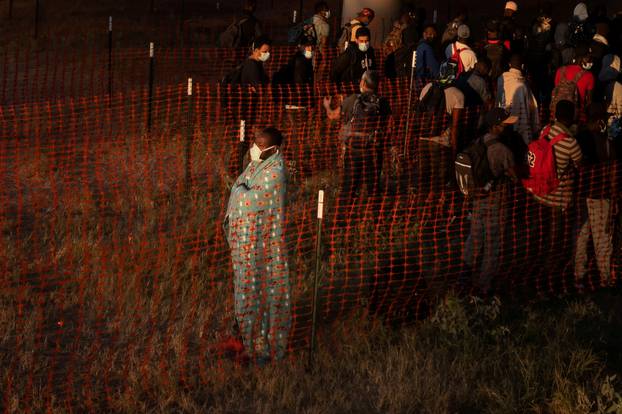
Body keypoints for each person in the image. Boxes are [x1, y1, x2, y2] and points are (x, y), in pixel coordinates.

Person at [224, 127, 291, 364]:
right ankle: (244, 336)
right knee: (245, 288)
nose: (254, 148)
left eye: (260, 145)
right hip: (248, 244)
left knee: (263, 291)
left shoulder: (276, 171)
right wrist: (240, 190)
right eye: (255, 143)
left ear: (273, 149)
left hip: (265, 246)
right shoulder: (256, 165)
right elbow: (240, 187)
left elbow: (247, 199)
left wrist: (239, 190)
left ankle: (262, 346)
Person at [462, 108, 518, 295]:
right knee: (493, 243)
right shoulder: (503, 150)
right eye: (505, 124)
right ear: (496, 127)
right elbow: (514, 176)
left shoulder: (477, 142)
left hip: (478, 199)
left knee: (475, 237)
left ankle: (465, 273)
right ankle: (483, 285)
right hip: (497, 201)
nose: (508, 127)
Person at [323, 70, 392, 199]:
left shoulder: (353, 99)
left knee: (349, 186)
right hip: (373, 149)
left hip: (353, 149)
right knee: (373, 188)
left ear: (363, 83)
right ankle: (376, 215)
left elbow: (333, 116)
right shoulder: (383, 103)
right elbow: (388, 126)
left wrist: (327, 106)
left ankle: (345, 214)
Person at [575, 103, 618, 289]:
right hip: (600, 194)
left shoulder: (578, 137)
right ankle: (605, 277)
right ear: (599, 120)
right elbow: (612, 170)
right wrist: (615, 195)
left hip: (580, 193)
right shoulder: (605, 140)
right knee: (602, 237)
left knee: (581, 235)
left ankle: (579, 276)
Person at [416, 62, 465, 194]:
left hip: (423, 138)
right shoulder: (458, 95)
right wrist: (454, 149)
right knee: (437, 179)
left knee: (423, 176)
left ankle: (421, 205)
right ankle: (434, 206)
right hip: (440, 141)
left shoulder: (428, 87)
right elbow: (454, 126)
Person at [496, 54, 540, 144]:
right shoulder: (523, 85)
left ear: (509, 65)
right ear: (523, 66)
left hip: (502, 122)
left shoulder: (501, 79)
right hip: (519, 127)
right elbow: (531, 107)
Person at [552, 44, 595, 119]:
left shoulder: (560, 71)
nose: (591, 61)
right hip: (577, 118)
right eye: (589, 58)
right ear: (582, 58)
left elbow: (556, 92)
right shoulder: (589, 76)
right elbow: (589, 102)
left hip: (557, 117)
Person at [483, 20, 510, 86]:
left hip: (500, 79)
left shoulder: (505, 44)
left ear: (498, 32)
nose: (489, 32)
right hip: (487, 80)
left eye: (492, 31)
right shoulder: (483, 45)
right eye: (488, 30)